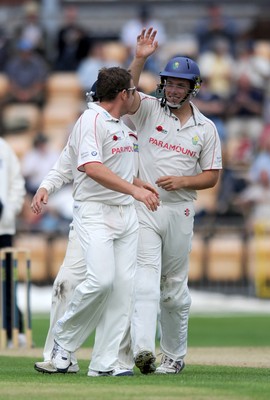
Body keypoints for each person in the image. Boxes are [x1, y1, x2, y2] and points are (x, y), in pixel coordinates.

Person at [33, 66, 159, 377]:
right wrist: (48, 184)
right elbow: (88, 165)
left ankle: (105, 363)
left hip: (125, 213)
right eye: (132, 90)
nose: (136, 95)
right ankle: (63, 343)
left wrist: (136, 183)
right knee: (101, 280)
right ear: (122, 95)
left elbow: (106, 166)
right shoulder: (90, 120)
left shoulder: (121, 124)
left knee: (121, 291)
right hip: (95, 212)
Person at [125, 27, 222, 374]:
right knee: (146, 279)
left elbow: (211, 176)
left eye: (181, 84)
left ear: (193, 88)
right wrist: (140, 58)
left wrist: (183, 180)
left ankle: (175, 356)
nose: (174, 89)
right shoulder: (149, 110)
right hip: (146, 206)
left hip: (180, 209)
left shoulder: (206, 128)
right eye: (169, 82)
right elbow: (127, 92)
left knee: (173, 289)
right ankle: (141, 350)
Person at [0, 137, 26, 346]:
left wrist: (8, 213)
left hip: (2, 228)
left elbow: (17, 182)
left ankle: (12, 330)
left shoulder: (3, 147)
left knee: (7, 281)